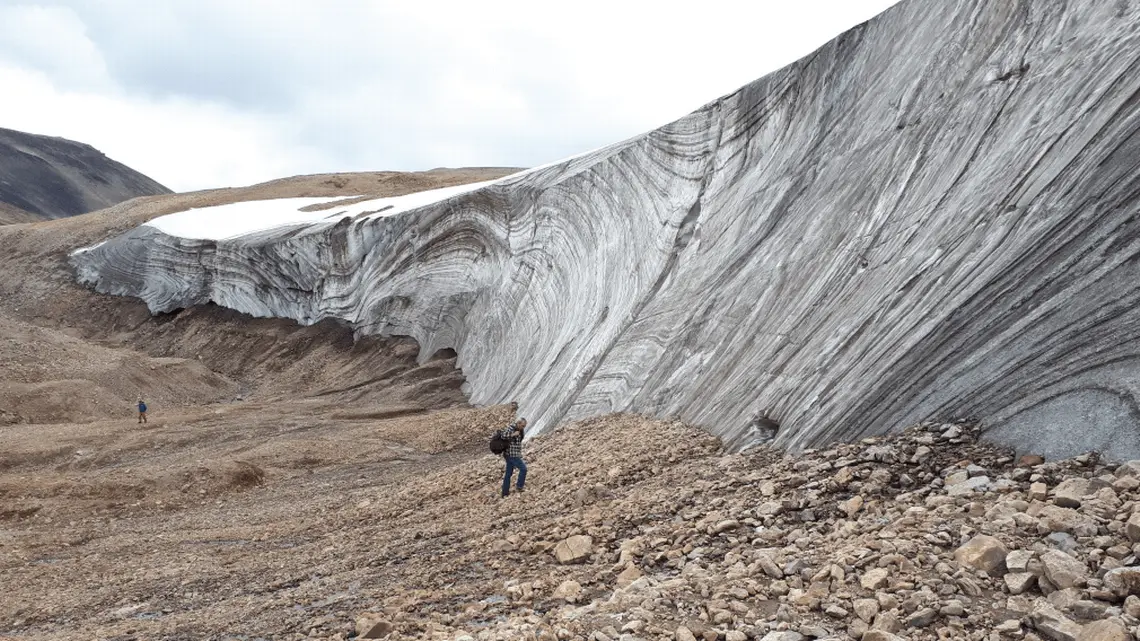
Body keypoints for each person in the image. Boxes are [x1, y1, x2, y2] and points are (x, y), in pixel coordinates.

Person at [497, 417, 527, 498]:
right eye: (522, 426)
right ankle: (519, 486)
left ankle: (504, 493)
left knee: (508, 474)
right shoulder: (511, 428)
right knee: (523, 469)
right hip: (511, 455)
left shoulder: (520, 430)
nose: (523, 428)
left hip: (512, 454)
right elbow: (503, 436)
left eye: (524, 426)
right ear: (518, 423)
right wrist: (513, 434)